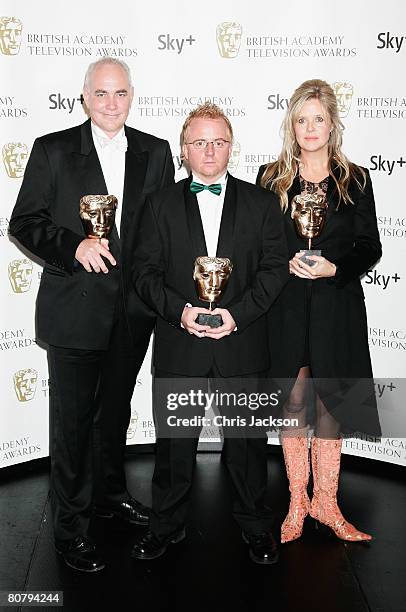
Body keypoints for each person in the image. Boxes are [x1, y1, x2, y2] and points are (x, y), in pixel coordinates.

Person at [9, 57, 174, 572]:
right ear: (83, 97)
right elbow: (25, 222)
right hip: (74, 311)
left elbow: (162, 232)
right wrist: (72, 246)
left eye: (119, 93)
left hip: (132, 313)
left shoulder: (156, 152)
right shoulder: (53, 149)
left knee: (114, 416)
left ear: (132, 96)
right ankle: (69, 528)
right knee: (73, 426)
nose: (110, 104)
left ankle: (109, 494)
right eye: (100, 94)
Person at [131, 103, 289, 565]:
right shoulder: (159, 204)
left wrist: (236, 315)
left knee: (247, 447)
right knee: (174, 448)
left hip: (242, 344)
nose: (209, 151)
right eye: (199, 142)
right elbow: (144, 273)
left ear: (231, 147)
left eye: (218, 141)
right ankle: (166, 526)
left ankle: (256, 527)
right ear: (184, 149)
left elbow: (274, 271)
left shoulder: (261, 203)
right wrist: (180, 311)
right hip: (181, 345)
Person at [256, 79, 382, 544]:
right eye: (302, 119)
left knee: (330, 403)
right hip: (286, 306)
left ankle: (327, 504)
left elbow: (370, 246)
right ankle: (296, 500)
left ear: (332, 124)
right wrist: (282, 259)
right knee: (294, 400)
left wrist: (334, 267)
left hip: (336, 306)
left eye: (319, 119)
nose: (310, 128)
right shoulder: (271, 179)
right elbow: (261, 246)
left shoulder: (356, 179)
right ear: (292, 124)